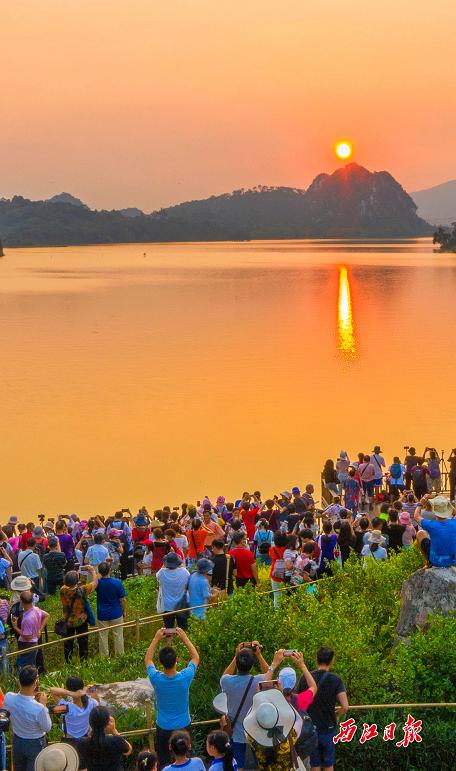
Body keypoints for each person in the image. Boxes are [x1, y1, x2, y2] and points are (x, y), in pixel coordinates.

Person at [145, 627, 199, 768]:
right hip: (183, 725)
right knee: (185, 759)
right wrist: (184, 638)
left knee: (164, 762)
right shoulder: (185, 677)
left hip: (163, 726)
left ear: (160, 662)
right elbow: (195, 658)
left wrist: (156, 638)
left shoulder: (156, 678)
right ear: (177, 660)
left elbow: (148, 659)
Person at [220, 642, 270, 769]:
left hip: (237, 734)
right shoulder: (258, 681)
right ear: (252, 665)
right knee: (260, 766)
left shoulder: (227, 682)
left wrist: (236, 655)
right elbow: (269, 674)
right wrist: (258, 655)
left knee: (239, 767)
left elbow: (224, 675)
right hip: (256, 733)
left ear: (237, 663)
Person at [304, 647, 348, 771]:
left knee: (314, 763)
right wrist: (337, 715)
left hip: (310, 727)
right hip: (328, 727)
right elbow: (345, 706)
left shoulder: (306, 678)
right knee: (328, 763)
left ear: (316, 659)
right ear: (332, 661)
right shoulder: (336, 680)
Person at [4, 664, 52, 771]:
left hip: (17, 740)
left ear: (18, 682)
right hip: (35, 743)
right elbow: (47, 727)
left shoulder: (9, 697)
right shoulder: (38, 708)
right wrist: (44, 706)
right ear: (35, 683)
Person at [243, 686, 299, 771]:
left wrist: (258, 698)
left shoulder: (252, 738)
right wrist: (281, 696)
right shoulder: (290, 735)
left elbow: (250, 719)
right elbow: (295, 717)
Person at [60, 566, 98, 662]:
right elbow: (95, 583)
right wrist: (93, 571)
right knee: (83, 642)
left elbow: (69, 584)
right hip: (81, 620)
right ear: (77, 581)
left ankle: (68, 662)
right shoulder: (82, 590)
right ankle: (84, 661)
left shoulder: (62, 590)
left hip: (68, 621)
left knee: (68, 643)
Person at [77, 705, 132, 771]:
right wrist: (114, 731)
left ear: (90, 722)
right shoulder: (116, 740)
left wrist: (93, 729)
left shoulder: (82, 743)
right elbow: (128, 751)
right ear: (107, 723)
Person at [48, 676, 98, 742]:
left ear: (68, 689)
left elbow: (52, 690)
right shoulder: (91, 703)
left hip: (69, 740)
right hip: (85, 736)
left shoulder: (67, 708)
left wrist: (72, 693)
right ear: (82, 687)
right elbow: (97, 701)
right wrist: (90, 689)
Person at [11, 590, 49, 669]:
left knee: (25, 667)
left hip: (28, 646)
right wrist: (40, 630)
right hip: (34, 643)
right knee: (31, 665)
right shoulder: (36, 609)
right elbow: (47, 616)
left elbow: (27, 637)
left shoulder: (27, 619)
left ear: (21, 601)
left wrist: (15, 627)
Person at [95, 561, 126, 656]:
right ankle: (120, 656)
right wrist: (124, 611)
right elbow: (123, 599)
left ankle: (104, 658)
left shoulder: (97, 584)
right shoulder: (117, 582)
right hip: (116, 613)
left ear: (99, 572)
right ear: (110, 570)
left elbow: (94, 581)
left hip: (102, 614)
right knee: (118, 636)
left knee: (103, 637)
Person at [416, 495, 456, 567]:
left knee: (420, 533)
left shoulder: (431, 525)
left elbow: (416, 516)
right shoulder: (454, 522)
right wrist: (446, 504)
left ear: (433, 510)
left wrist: (420, 504)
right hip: (452, 560)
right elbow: (454, 512)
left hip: (436, 561)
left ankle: (428, 561)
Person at [156, 552, 190, 629]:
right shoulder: (184, 572)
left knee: (168, 628)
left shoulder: (161, 573)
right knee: (183, 627)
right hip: (181, 605)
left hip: (167, 605)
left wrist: (165, 563)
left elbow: (158, 575)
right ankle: (182, 641)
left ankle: (169, 641)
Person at [269, 531, 288, 607]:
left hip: (275, 575)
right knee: (286, 593)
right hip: (286, 574)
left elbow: (270, 555)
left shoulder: (272, 549)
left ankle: (277, 613)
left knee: (276, 595)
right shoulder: (287, 550)